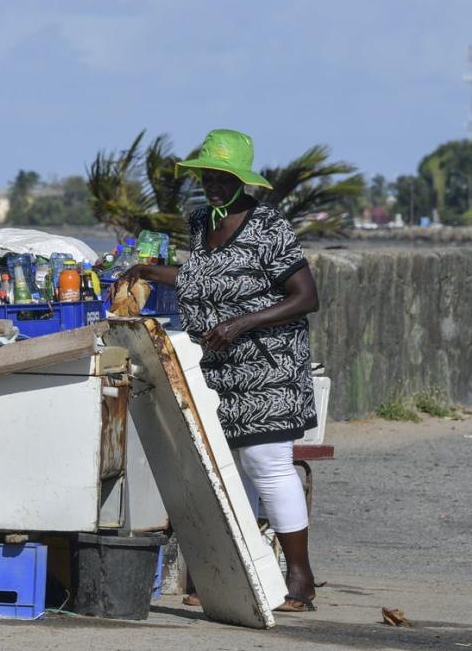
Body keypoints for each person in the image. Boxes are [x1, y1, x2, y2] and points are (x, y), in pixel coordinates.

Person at [119, 128, 321, 613]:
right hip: (222, 371)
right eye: (206, 175)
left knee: (268, 466)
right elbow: (198, 279)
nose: (211, 184)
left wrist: (241, 323)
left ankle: (301, 580)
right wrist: (146, 272)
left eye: (221, 177)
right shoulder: (199, 222)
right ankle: (239, 576)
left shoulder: (267, 224)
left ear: (242, 181)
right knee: (230, 471)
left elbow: (306, 296)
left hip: (271, 368)